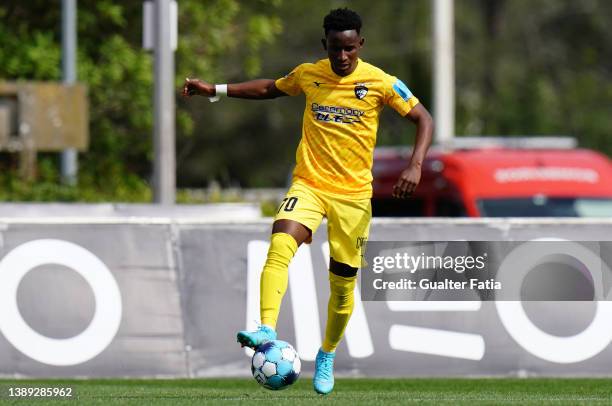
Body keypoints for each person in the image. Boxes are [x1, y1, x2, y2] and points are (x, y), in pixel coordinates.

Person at [182, 7, 433, 395]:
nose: (343, 57)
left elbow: (423, 118)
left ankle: (328, 354)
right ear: (325, 45)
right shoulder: (309, 74)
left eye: (349, 48)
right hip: (309, 185)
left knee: (343, 286)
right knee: (281, 243)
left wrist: (415, 165)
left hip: (352, 198)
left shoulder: (381, 82)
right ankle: (266, 329)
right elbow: (270, 89)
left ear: (360, 44)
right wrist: (213, 89)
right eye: (335, 49)